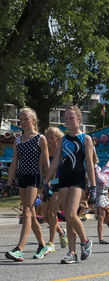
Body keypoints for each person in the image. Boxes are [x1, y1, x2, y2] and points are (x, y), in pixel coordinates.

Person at [43, 105, 96, 264]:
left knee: (72, 213)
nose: (68, 121)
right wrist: (46, 182)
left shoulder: (86, 138)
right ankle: (72, 253)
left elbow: (89, 164)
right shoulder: (63, 139)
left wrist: (93, 186)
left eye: (71, 118)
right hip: (64, 180)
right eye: (65, 119)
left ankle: (85, 241)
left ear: (79, 120)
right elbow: (55, 163)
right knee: (68, 217)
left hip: (78, 180)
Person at [5, 108, 51, 261]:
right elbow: (13, 163)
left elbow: (45, 163)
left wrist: (47, 183)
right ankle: (43, 245)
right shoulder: (18, 140)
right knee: (30, 213)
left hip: (34, 178)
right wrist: (8, 183)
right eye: (20, 119)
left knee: (26, 211)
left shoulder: (40, 138)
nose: (22, 122)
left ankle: (19, 249)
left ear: (33, 120)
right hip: (22, 178)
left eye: (25, 119)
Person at [41, 127, 68, 254]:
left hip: (59, 185)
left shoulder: (62, 153)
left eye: (52, 137)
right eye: (48, 137)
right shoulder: (44, 152)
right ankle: (61, 232)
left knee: (52, 213)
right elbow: (42, 170)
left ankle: (51, 243)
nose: (49, 139)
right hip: (47, 185)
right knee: (45, 215)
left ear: (58, 139)